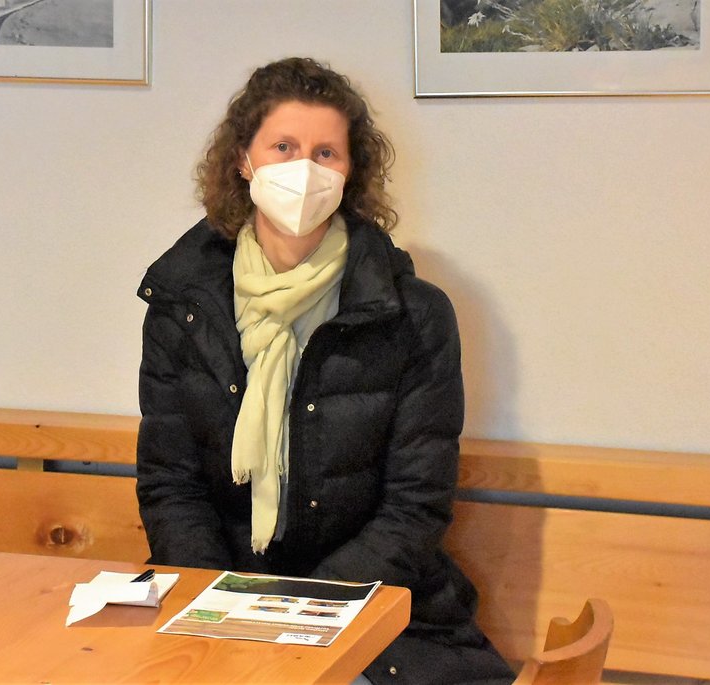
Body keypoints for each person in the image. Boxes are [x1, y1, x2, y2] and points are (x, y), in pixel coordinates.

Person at [135, 57, 515, 685]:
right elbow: (170, 485)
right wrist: (229, 609)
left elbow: (414, 508)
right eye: (283, 147)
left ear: (349, 171)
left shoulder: (414, 315)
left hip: (378, 623)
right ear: (244, 160)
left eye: (325, 153)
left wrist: (297, 616)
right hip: (218, 610)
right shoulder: (183, 303)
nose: (303, 170)